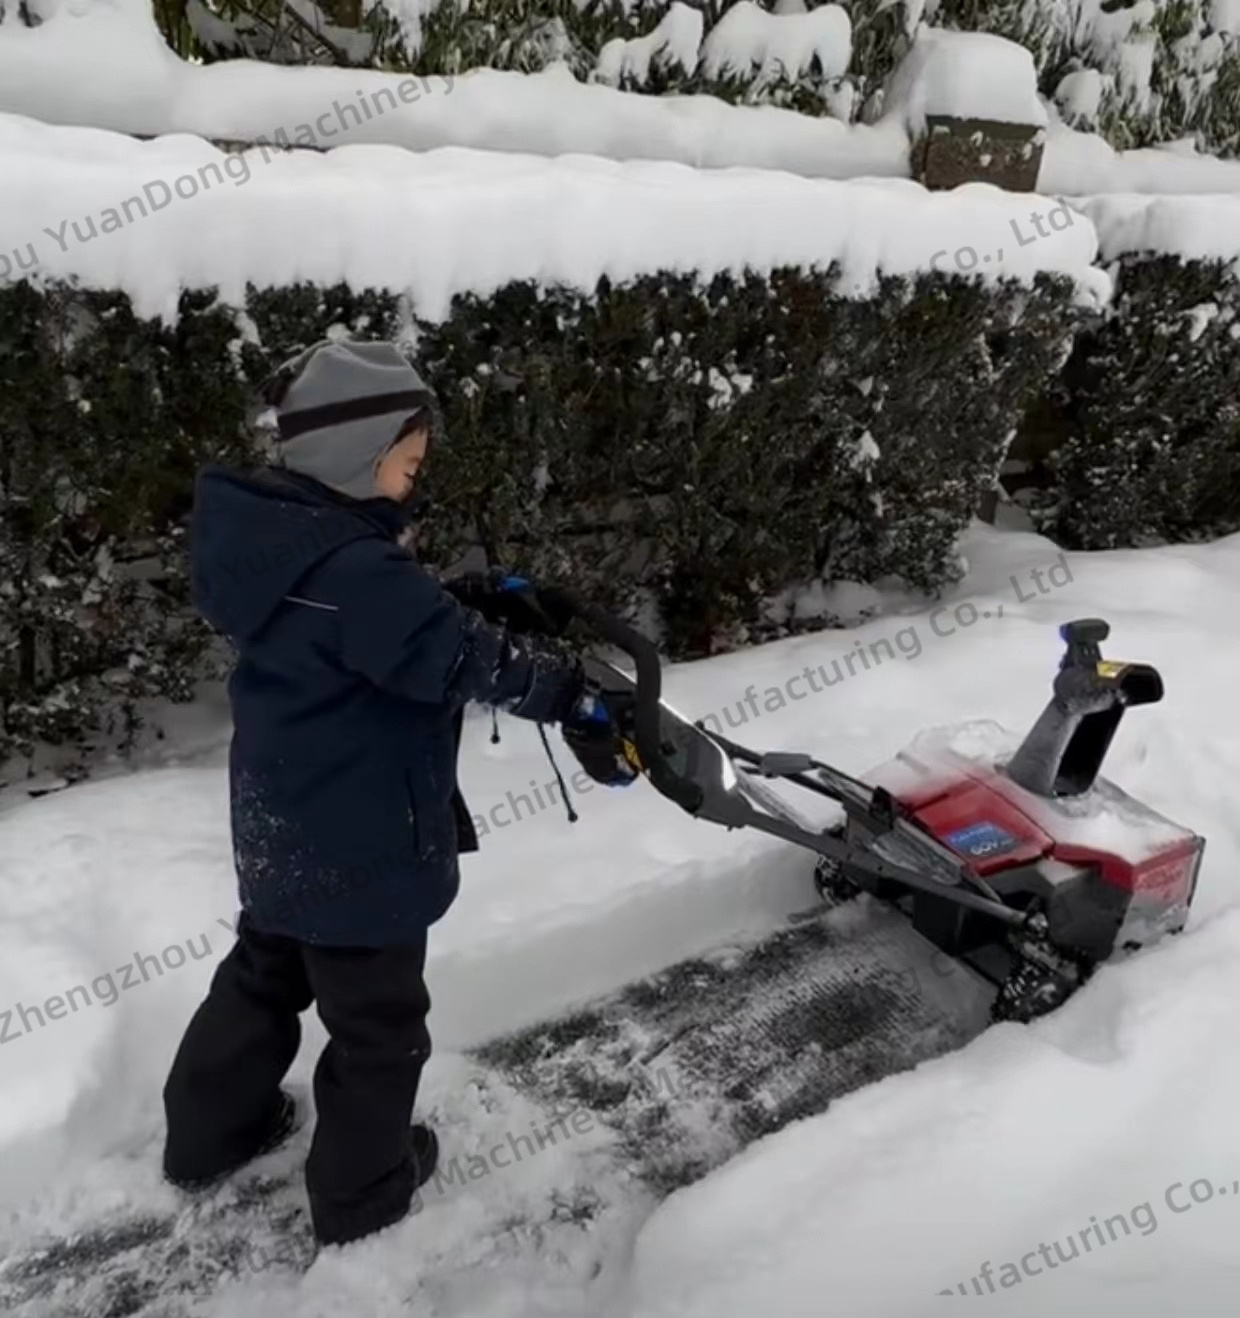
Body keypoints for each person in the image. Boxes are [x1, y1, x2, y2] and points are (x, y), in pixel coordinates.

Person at [162, 338, 634, 1248]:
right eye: (408, 463)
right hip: (364, 844)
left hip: (280, 826)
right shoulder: (358, 576)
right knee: (379, 1027)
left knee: (263, 976)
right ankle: (363, 1196)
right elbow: (456, 656)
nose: (416, 481)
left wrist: (445, 595)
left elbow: (385, 626)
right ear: (358, 453)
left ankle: (204, 1140)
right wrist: (572, 695)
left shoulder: (280, 548)